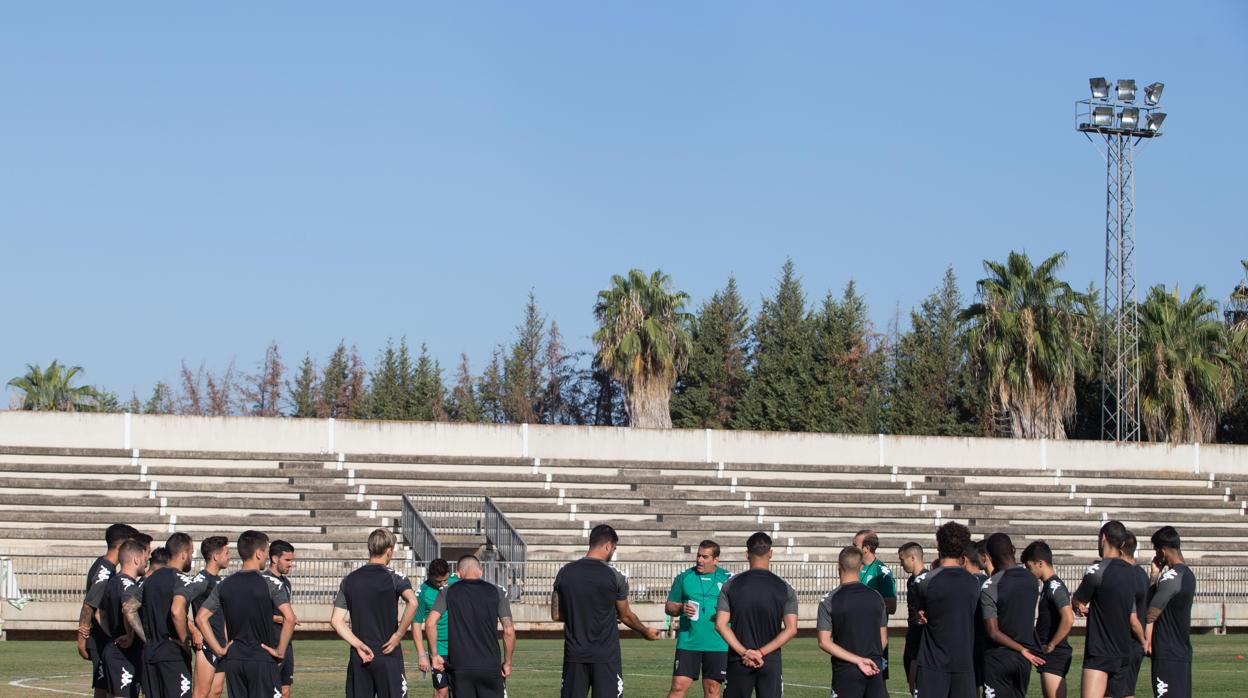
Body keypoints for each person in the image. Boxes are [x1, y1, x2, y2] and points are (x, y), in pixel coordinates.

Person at [552, 524, 660, 698]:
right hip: (606, 657)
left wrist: (579, 615)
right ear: (608, 546)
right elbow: (625, 615)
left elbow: (556, 614)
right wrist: (645, 631)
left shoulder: (564, 573)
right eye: (614, 549)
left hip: (575, 655)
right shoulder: (615, 576)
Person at [195, 530, 296, 698]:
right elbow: (290, 619)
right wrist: (280, 652)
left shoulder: (224, 584)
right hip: (261, 658)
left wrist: (220, 650)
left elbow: (200, 618)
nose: (266, 557)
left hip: (234, 661)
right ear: (258, 553)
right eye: (265, 551)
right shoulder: (270, 583)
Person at [330, 528, 419, 698]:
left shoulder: (350, 579)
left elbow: (336, 621)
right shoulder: (395, 577)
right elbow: (413, 602)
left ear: (370, 548)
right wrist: (398, 635)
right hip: (388, 653)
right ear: (389, 551)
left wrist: (358, 645)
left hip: (360, 656)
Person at [714, 531, 798, 698]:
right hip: (770, 660)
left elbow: (720, 625)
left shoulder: (730, 585)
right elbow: (791, 629)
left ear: (747, 554)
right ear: (771, 553)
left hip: (738, 660)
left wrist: (745, 652)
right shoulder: (785, 587)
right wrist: (760, 653)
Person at [1072, 520, 1145, 698]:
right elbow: (1131, 613)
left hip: (1100, 652)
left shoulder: (1096, 570)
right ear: (1121, 544)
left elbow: (1079, 600)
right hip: (1123, 652)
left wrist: (1077, 605)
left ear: (1102, 538)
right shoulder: (1132, 573)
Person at [426, 555, 516, 698]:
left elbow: (430, 623)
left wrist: (435, 655)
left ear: (459, 573)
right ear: (481, 571)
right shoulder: (497, 592)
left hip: (460, 668)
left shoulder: (447, 591)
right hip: (490, 666)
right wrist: (508, 663)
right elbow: (509, 631)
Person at [121, 533, 195, 698]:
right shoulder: (182, 580)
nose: (191, 557)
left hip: (150, 654)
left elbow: (128, 608)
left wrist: (145, 638)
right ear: (184, 554)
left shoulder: (150, 580)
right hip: (172, 654)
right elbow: (177, 611)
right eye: (191, 553)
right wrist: (184, 642)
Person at [912, 521, 980, 698]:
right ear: (963, 550)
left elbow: (919, 617)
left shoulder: (925, 582)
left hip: (932, 664)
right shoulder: (974, 583)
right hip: (964, 664)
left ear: (939, 546)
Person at [816, 546, 886, 698]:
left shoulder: (829, 600)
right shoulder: (877, 597)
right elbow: (883, 640)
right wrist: (868, 659)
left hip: (846, 670)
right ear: (861, 567)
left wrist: (858, 660)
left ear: (838, 567)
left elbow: (824, 642)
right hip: (874, 669)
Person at [980, 533, 1044, 698]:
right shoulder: (1031, 580)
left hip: (999, 658)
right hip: (1024, 660)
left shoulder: (991, 585)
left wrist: (1020, 649)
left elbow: (993, 632)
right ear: (1013, 550)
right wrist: (1023, 650)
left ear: (990, 557)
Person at [81, 539, 146, 698]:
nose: (146, 562)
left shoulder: (111, 582)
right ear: (136, 559)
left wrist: (112, 634)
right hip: (125, 653)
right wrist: (135, 636)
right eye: (145, 558)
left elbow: (99, 613)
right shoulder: (130, 586)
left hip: (112, 648)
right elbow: (128, 610)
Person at [665, 539, 731, 698]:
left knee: (712, 690)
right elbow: (669, 607)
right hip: (689, 643)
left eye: (705, 557)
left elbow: (740, 608)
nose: (699, 560)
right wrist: (681, 608)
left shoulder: (728, 579)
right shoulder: (684, 577)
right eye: (698, 555)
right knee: (678, 687)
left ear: (716, 559)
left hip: (718, 643)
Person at [172, 535, 230, 698]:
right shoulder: (201, 580)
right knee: (201, 693)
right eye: (226, 553)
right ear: (215, 556)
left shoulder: (219, 580)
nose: (229, 556)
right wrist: (194, 629)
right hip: (206, 644)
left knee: (216, 691)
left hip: (221, 642)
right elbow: (179, 605)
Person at [1145, 526, 1195, 698]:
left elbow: (1150, 613)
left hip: (1166, 653)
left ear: (1163, 551)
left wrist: (1153, 578)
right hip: (1182, 651)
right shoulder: (1188, 575)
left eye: (1156, 551)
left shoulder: (1170, 578)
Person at [1022, 540, 1075, 698]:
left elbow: (1069, 618)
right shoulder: (1047, 586)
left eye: (1029, 567)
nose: (1029, 572)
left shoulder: (1054, 587)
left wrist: (1052, 644)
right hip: (1049, 655)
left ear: (1040, 563)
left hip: (1055, 655)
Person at [852, 529, 897, 686]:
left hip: (875, 637)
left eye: (854, 545)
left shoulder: (882, 571)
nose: (851, 548)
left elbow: (891, 606)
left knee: (877, 684)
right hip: (853, 634)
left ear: (866, 548)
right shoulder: (853, 569)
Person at [413, 558, 458, 696]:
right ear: (430, 576)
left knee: (461, 688)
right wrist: (422, 655)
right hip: (438, 649)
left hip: (460, 645)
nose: (442, 584)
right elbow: (415, 625)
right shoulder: (423, 592)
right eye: (438, 581)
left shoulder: (458, 582)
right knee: (441, 690)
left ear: (449, 573)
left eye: (444, 580)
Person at [1114, 532, 1150, 698]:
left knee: (1121, 691)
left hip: (1129, 641)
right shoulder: (1142, 574)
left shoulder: (1126, 575)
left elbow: (1132, 616)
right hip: (1135, 644)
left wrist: (1143, 640)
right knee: (1126, 689)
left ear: (1120, 550)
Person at [265, 540, 298, 698]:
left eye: (291, 560)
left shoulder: (286, 583)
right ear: (274, 559)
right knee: (270, 690)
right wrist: (280, 619)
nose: (290, 564)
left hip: (286, 643)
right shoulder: (262, 581)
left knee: (285, 691)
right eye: (287, 560)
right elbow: (256, 613)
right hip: (270, 643)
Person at [897, 541, 926, 696]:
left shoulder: (928, 580)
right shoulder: (911, 581)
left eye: (902, 560)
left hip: (922, 641)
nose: (901, 564)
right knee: (912, 684)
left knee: (919, 685)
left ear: (913, 558)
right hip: (912, 638)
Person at [961, 540, 989, 690]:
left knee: (970, 687)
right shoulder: (990, 581)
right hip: (988, 642)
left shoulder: (964, 583)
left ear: (964, 560)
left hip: (969, 643)